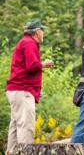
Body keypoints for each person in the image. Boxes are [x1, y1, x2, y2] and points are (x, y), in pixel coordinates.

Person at [5, 19, 54, 154]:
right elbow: (32, 66)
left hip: (17, 90)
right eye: (42, 30)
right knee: (26, 127)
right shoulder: (29, 43)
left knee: (15, 126)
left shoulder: (25, 42)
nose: (43, 33)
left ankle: (12, 152)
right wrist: (44, 63)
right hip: (22, 90)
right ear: (37, 32)